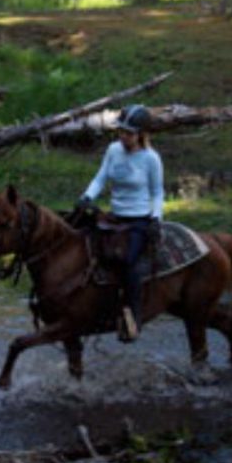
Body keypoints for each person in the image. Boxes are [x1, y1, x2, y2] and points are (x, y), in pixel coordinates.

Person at [76, 104, 165, 342]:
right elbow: (101, 177)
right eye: (121, 132)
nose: (123, 136)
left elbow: (158, 193)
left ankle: (134, 315)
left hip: (139, 220)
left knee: (126, 260)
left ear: (141, 135)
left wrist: (156, 218)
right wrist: (87, 196)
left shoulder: (151, 159)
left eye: (129, 133)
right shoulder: (113, 150)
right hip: (114, 217)